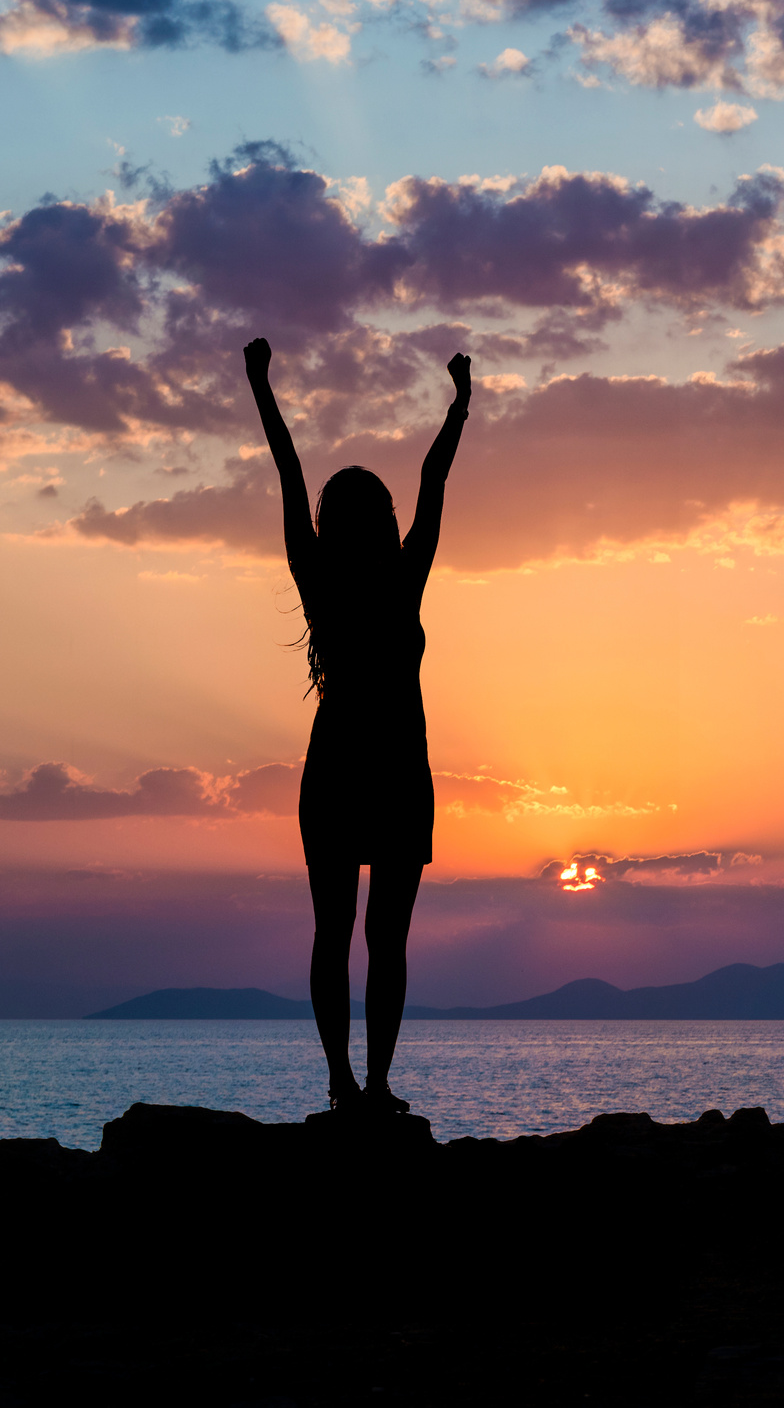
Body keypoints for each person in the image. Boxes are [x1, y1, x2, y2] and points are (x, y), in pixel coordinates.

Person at [244, 337, 471, 1112]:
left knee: (361, 938)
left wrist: (264, 386)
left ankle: (360, 1085)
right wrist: (457, 407)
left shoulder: (358, 577)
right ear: (378, 520)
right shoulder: (372, 579)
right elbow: (423, 477)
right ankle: (356, 1085)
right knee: (357, 937)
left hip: (372, 772)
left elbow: (292, 469)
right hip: (372, 772)